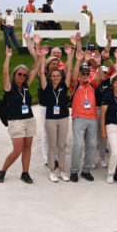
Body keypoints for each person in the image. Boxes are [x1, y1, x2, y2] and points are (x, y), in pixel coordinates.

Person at [0, 46, 43, 183]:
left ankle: (25, 173)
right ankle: (3, 170)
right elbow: (4, 73)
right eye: (19, 74)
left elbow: (34, 70)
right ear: (15, 75)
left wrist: (40, 57)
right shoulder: (9, 88)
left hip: (28, 119)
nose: (22, 77)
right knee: (18, 149)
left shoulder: (26, 86)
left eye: (24, 75)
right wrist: (8, 57)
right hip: (15, 121)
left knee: (27, 147)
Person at [38, 45, 73, 182]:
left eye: (58, 75)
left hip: (63, 117)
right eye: (54, 76)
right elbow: (41, 73)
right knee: (52, 145)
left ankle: (62, 170)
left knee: (62, 145)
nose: (57, 77)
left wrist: (70, 54)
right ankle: (52, 171)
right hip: (51, 119)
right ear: (50, 76)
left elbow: (69, 71)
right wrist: (42, 57)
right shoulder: (46, 87)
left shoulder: (64, 86)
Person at [69, 47, 101, 182]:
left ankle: (86, 170)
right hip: (79, 117)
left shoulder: (92, 84)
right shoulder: (75, 84)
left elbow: (101, 77)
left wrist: (98, 65)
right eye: (83, 73)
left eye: (87, 72)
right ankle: (74, 171)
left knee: (92, 145)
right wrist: (79, 61)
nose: (85, 74)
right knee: (78, 145)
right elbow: (72, 75)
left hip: (92, 118)